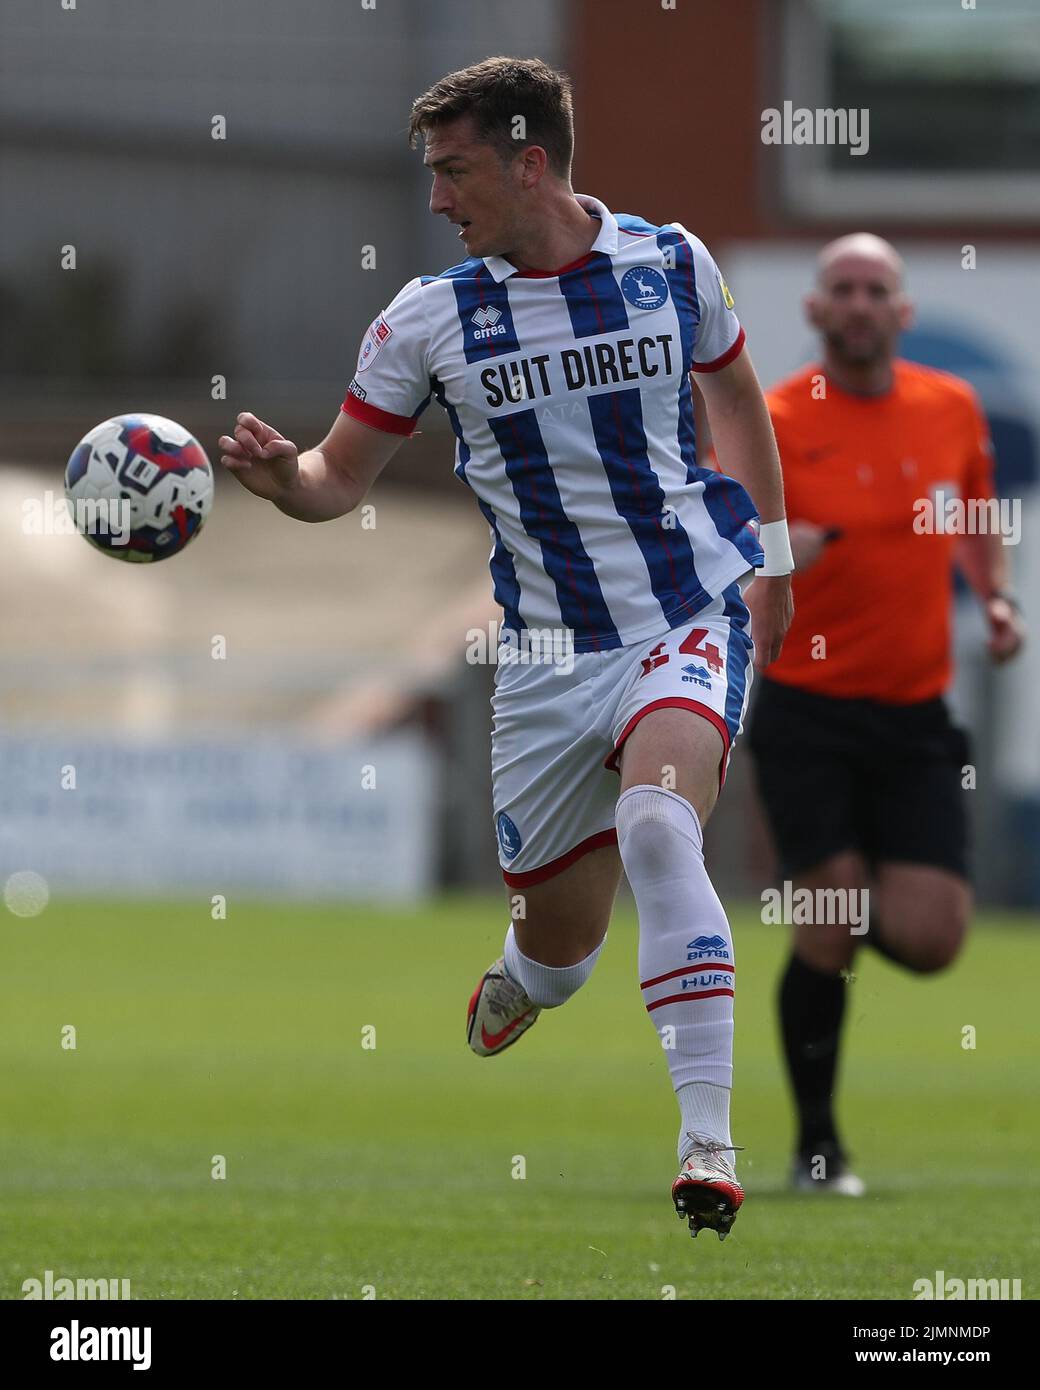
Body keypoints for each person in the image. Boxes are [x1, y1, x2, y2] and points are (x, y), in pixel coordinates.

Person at [218, 56, 794, 1239]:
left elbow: (736, 398)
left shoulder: (670, 265)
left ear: (530, 160)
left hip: (682, 609)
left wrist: (771, 560)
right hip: (541, 662)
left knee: (654, 825)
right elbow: (338, 477)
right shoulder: (426, 319)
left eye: (454, 170)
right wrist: (286, 483)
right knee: (563, 941)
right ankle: (529, 977)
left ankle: (706, 1140)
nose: (436, 199)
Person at [750, 233, 1025, 1195]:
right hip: (805, 710)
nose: (860, 303)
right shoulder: (775, 419)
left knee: (935, 938)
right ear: (816, 311)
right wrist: (776, 555)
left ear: (903, 313)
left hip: (913, 717)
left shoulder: (949, 408)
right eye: (842, 289)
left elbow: (980, 513)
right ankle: (817, 1148)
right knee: (827, 925)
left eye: (877, 289)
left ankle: (829, 897)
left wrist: (995, 598)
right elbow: (711, 538)